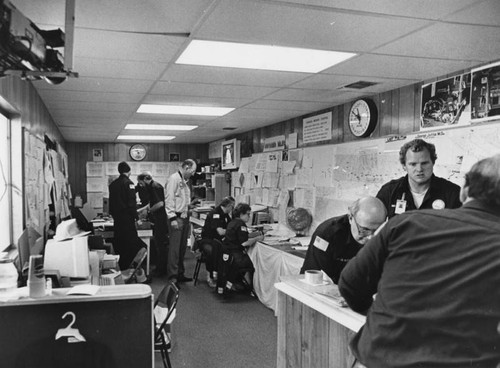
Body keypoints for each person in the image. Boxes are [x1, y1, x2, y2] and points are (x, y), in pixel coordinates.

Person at [338, 154, 500, 368]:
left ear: (464, 190)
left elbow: (350, 284)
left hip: (379, 359)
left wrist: (388, 317)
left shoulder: (404, 223)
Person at [299, 197, 387, 284]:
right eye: (364, 230)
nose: (370, 237)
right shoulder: (327, 234)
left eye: (377, 230)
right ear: (350, 218)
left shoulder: (387, 237)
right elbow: (312, 278)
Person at [376, 138, 461, 218]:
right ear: (404, 166)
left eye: (424, 163)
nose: (419, 169)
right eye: (413, 164)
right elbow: (373, 226)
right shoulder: (389, 191)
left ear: (433, 162)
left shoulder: (453, 193)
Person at [165, 159, 197, 286]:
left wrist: (189, 206)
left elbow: (182, 200)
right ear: (187, 167)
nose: (193, 174)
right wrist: (172, 218)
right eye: (193, 171)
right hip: (176, 218)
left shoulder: (184, 181)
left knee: (182, 248)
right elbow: (169, 199)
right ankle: (172, 277)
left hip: (184, 217)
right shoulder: (174, 179)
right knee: (174, 249)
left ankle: (179, 273)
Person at [222, 203, 264, 291]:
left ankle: (237, 282)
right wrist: (257, 238)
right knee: (255, 263)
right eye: (248, 214)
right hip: (236, 257)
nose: (249, 217)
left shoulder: (233, 222)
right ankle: (251, 288)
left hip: (228, 254)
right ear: (241, 214)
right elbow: (244, 243)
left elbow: (243, 236)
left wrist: (257, 233)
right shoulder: (241, 224)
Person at [108, 161, 142, 270]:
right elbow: (132, 203)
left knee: (120, 244)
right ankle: (130, 270)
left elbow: (112, 203)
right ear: (129, 171)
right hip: (127, 220)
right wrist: (136, 217)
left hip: (117, 220)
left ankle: (121, 269)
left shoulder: (113, 184)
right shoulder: (129, 183)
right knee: (131, 245)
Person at [199, 196, 235, 287]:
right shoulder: (215, 214)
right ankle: (210, 277)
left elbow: (231, 226)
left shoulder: (225, 215)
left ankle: (225, 277)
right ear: (228, 205)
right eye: (232, 206)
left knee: (231, 250)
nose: (232, 209)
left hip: (218, 241)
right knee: (212, 252)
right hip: (208, 240)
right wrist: (232, 231)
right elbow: (220, 231)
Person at [141, 172, 169, 277]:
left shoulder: (154, 187)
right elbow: (152, 203)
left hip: (161, 219)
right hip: (159, 219)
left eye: (141, 183)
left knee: (160, 244)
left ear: (144, 180)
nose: (141, 186)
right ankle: (160, 267)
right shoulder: (154, 185)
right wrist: (141, 210)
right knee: (159, 244)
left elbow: (160, 204)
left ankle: (162, 269)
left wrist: (148, 212)